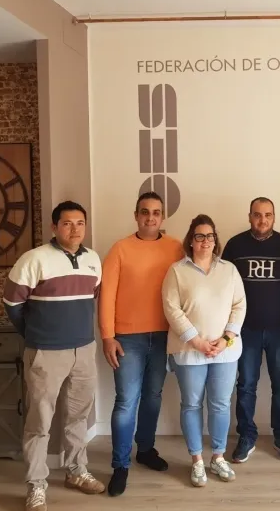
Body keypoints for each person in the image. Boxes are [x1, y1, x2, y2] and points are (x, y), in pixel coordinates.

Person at [3, 201, 105, 511]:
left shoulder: (93, 260)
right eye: (67, 223)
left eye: (80, 223)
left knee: (78, 416)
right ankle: (36, 485)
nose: (74, 229)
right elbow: (12, 304)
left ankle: (76, 470)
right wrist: (35, 334)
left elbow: (91, 298)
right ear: (54, 227)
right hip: (45, 353)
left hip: (83, 350)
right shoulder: (34, 259)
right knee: (39, 421)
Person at [98, 192, 185, 496]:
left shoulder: (175, 248)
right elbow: (106, 295)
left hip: (163, 336)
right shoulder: (120, 249)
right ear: (136, 215)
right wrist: (107, 336)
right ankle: (120, 465)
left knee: (153, 397)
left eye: (156, 212)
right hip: (128, 339)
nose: (150, 217)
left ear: (163, 216)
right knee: (126, 402)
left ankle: (145, 450)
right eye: (145, 212)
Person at [162, 214, 246, 487]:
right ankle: (197, 460)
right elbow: (171, 309)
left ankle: (218, 456)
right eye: (200, 236)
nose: (205, 241)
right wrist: (196, 341)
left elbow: (239, 305)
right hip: (189, 351)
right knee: (192, 404)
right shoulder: (177, 271)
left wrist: (226, 338)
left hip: (224, 351)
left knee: (221, 404)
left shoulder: (229, 270)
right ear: (191, 240)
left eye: (210, 236)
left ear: (215, 240)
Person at [222, 197, 280, 463]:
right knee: (245, 385)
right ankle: (246, 435)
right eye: (257, 215)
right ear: (249, 216)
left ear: (274, 217)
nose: (262, 220)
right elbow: (223, 286)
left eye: (267, 215)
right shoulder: (235, 245)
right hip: (245, 330)